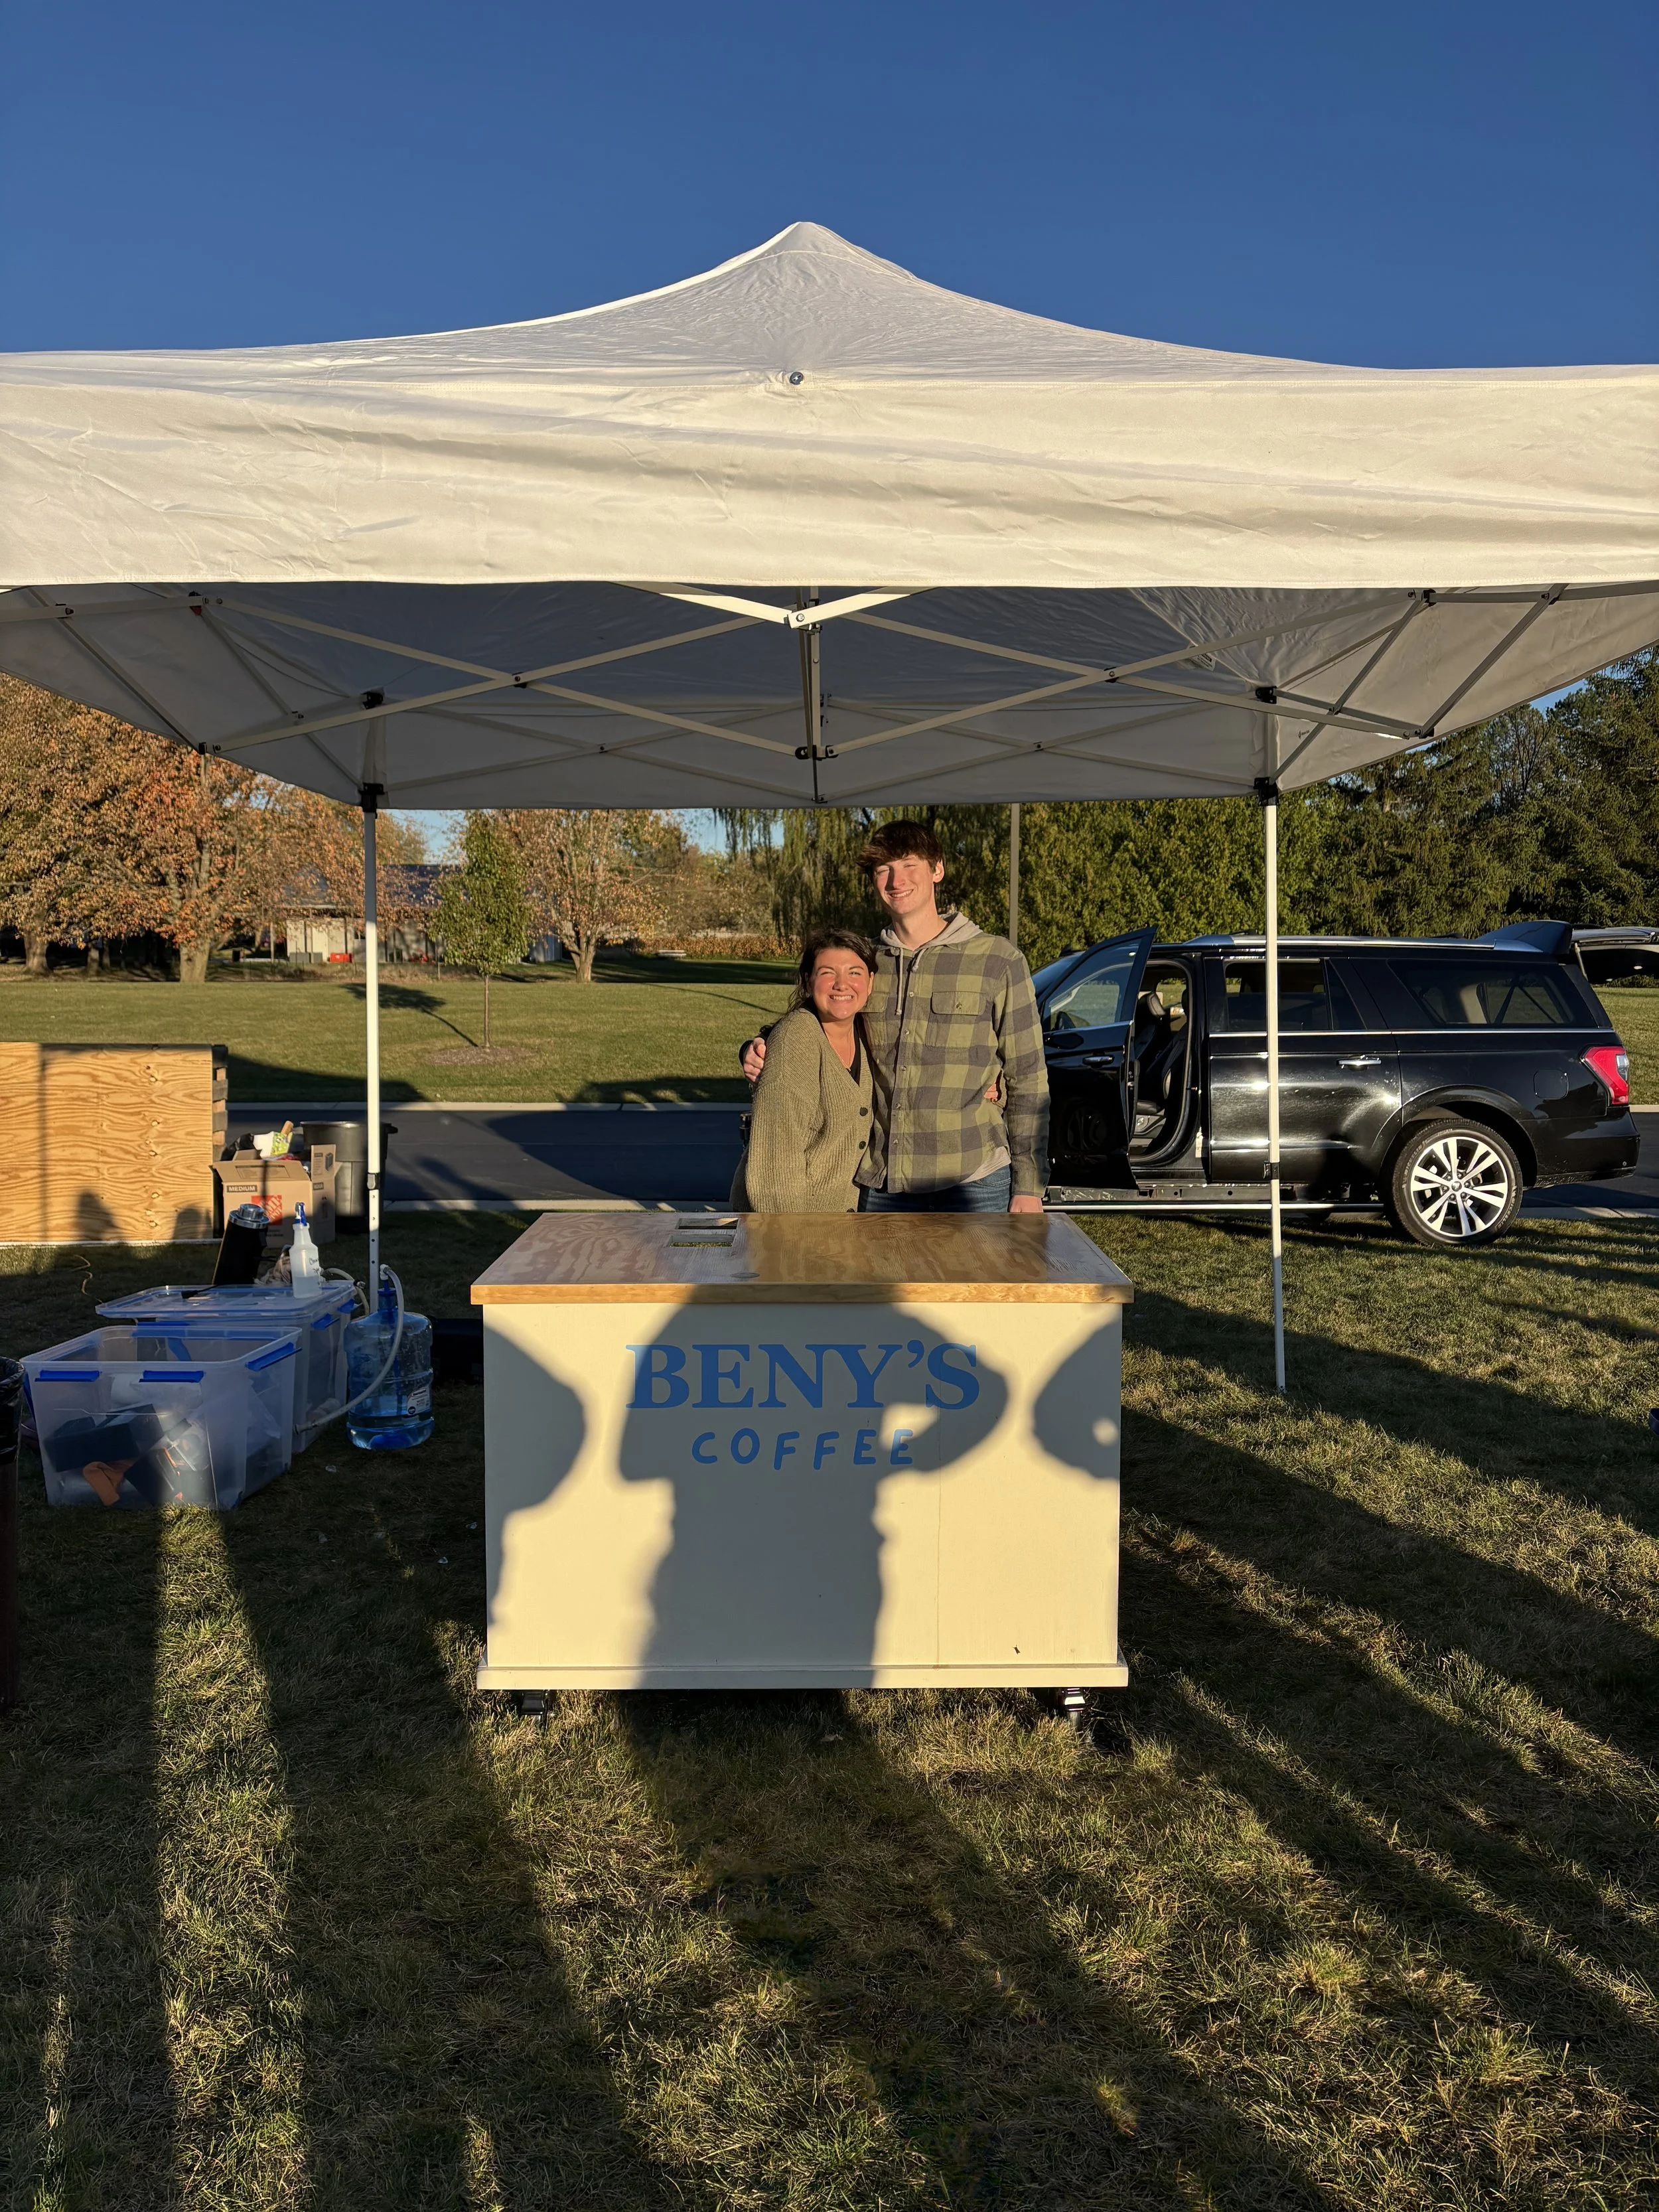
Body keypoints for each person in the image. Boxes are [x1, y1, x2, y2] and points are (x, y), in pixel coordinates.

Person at [741, 821, 1048, 1213]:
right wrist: (754, 1049)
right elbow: (812, 1027)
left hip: (975, 1185)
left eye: (908, 865)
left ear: (937, 870)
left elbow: (1029, 1078)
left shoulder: (998, 961)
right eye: (883, 870)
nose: (895, 880)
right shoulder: (864, 965)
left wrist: (1029, 1185)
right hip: (882, 1185)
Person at [733, 928, 878, 1213]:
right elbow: (777, 1152)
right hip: (797, 1222)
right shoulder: (797, 1038)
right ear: (808, 982)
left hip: (835, 1221)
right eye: (827, 973)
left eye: (855, 973)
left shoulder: (865, 1034)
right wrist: (787, 1239)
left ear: (870, 982)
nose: (842, 984)